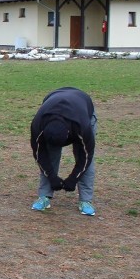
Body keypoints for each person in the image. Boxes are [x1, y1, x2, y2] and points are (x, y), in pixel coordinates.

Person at [30, 87, 97, 216]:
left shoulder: (82, 126)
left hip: (82, 106)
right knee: (50, 155)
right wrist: (52, 177)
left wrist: (73, 178)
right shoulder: (38, 125)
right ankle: (44, 197)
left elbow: (86, 156)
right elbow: (40, 155)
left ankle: (86, 201)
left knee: (82, 155)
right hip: (53, 100)